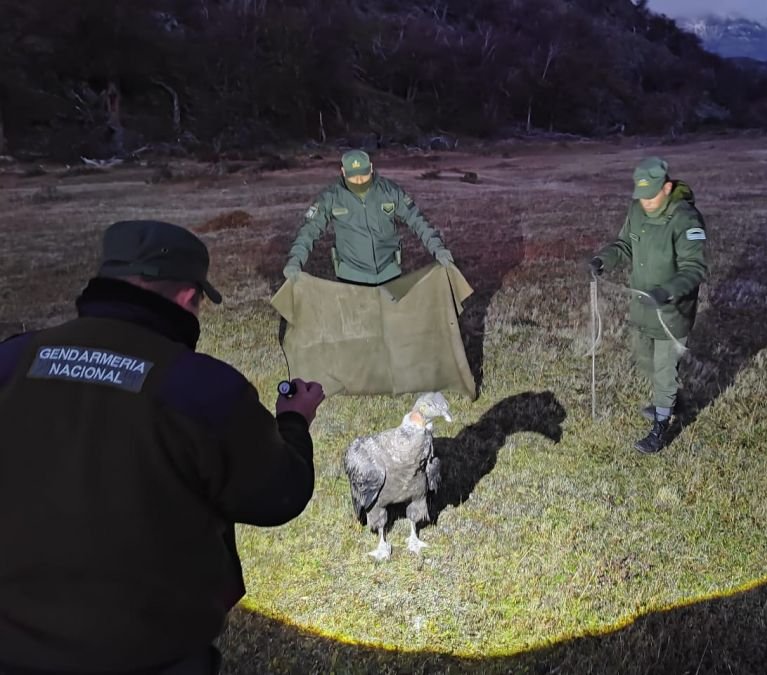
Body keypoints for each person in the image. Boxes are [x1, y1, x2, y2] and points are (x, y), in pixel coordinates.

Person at [0, 220, 325, 674]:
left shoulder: (11, 360)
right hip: (150, 655)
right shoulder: (204, 389)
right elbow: (278, 495)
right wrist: (294, 420)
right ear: (189, 297)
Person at [590, 157, 708, 454]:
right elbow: (624, 244)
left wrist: (667, 292)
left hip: (671, 311)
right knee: (644, 358)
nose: (646, 203)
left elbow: (695, 269)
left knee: (665, 368)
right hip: (642, 306)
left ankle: (660, 428)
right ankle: (671, 399)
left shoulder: (686, 219)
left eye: (651, 196)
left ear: (666, 188)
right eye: (641, 197)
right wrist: (603, 260)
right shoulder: (637, 210)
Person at [283, 149, 454, 285]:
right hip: (351, 276)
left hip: (389, 272)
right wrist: (295, 260)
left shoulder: (390, 191)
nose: (359, 181)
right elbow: (309, 230)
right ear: (343, 172)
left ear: (371, 168)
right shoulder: (331, 197)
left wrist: (438, 249)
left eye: (364, 175)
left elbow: (417, 220)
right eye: (353, 177)